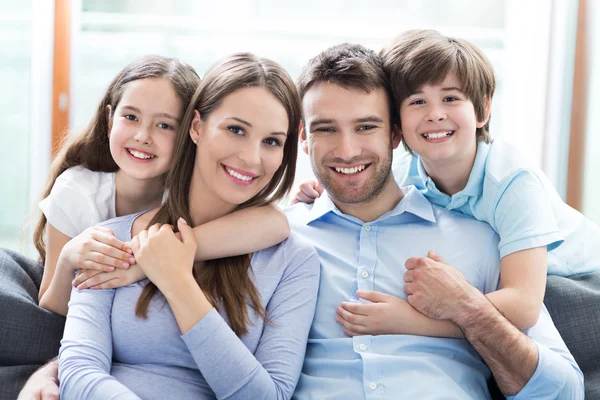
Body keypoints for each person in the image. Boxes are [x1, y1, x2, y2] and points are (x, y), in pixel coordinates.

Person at [286, 43, 583, 399]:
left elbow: (564, 390)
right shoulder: (276, 239)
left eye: (366, 126)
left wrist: (467, 309)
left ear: (394, 134)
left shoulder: (486, 230)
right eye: (326, 129)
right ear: (303, 137)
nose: (347, 150)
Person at [57, 52, 320, 399]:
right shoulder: (112, 239)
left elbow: (267, 396)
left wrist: (178, 282)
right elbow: (77, 373)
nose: (252, 158)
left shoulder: (294, 262)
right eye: (236, 130)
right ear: (196, 127)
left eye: (271, 141)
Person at [35, 55, 290, 317]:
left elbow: (274, 224)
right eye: (131, 117)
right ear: (110, 120)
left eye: (165, 125)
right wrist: (67, 261)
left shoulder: (191, 189)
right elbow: (49, 307)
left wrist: (157, 256)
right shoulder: (77, 192)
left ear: (190, 132)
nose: (143, 136)